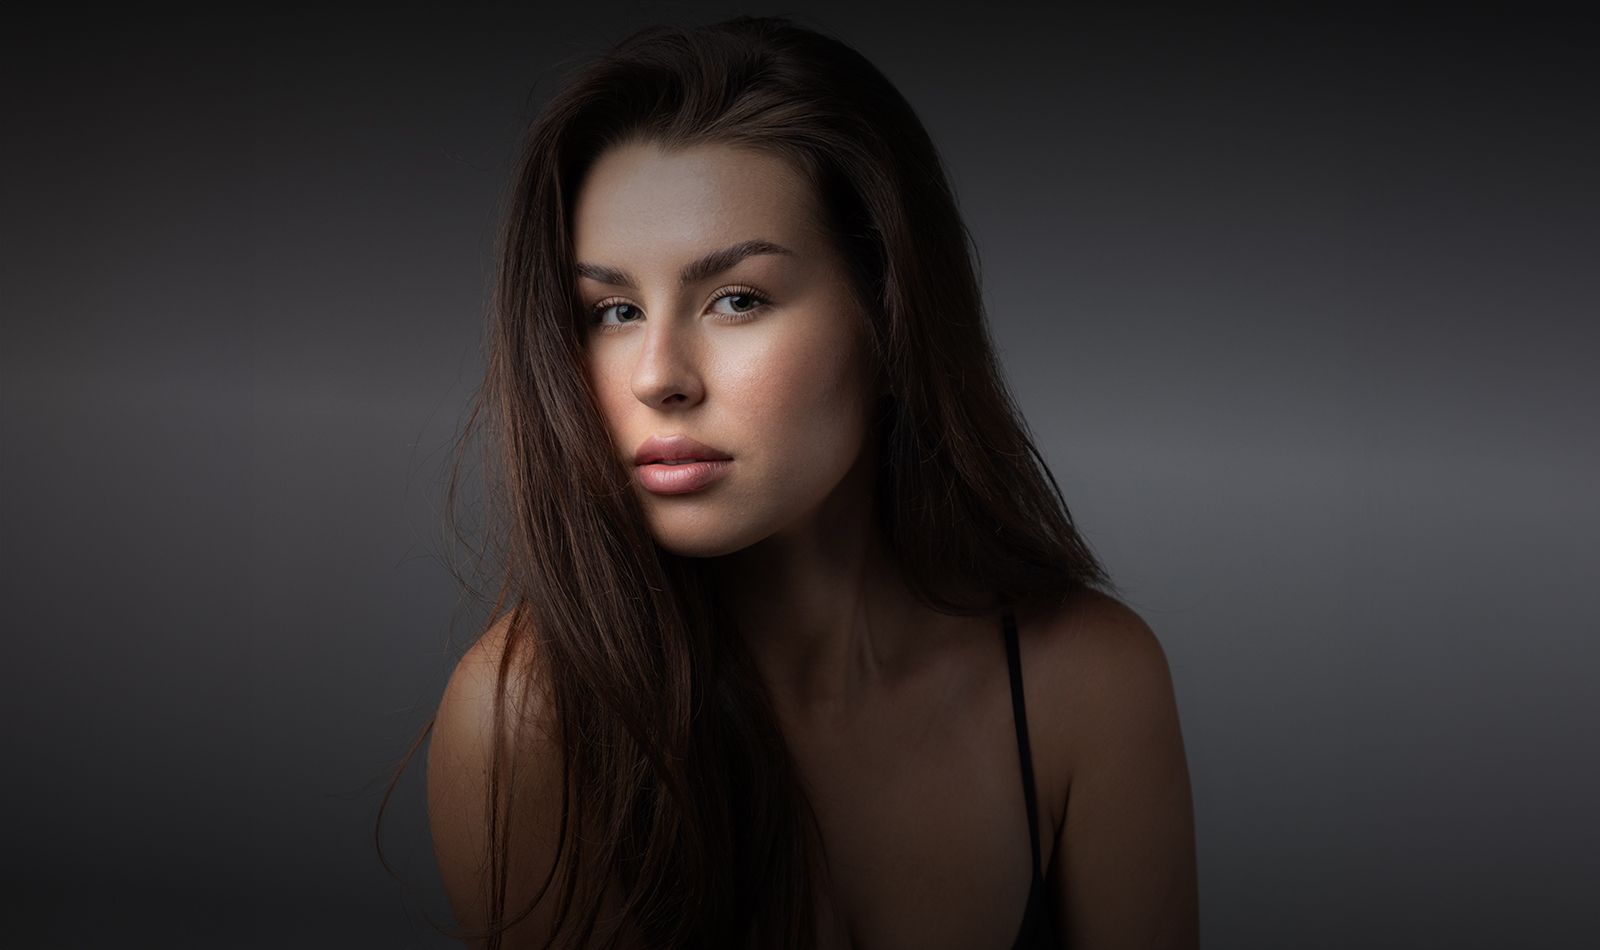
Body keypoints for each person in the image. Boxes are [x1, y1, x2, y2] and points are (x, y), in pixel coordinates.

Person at [416, 14, 1197, 949]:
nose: (657, 374)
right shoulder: (527, 721)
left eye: (735, 299)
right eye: (613, 309)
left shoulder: (1089, 685)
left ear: (891, 317)